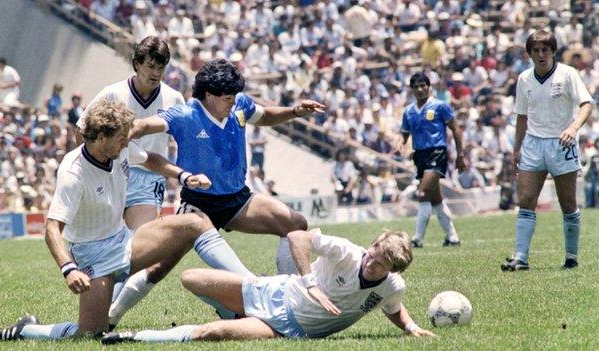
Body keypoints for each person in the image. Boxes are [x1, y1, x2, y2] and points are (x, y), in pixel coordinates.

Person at [0, 100, 215, 341]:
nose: (126, 142)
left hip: (123, 241)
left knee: (194, 223)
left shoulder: (120, 148)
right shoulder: (73, 173)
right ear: (99, 137)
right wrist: (69, 269)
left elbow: (151, 159)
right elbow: (52, 229)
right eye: (120, 137)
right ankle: (26, 330)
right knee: (91, 334)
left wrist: (183, 176)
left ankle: (243, 295)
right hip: (92, 256)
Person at [119, 58, 325, 323]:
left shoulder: (238, 106)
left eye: (234, 96)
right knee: (160, 267)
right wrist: (127, 130)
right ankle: (111, 316)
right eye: (227, 98)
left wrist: (294, 111)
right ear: (208, 95)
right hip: (198, 206)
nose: (233, 102)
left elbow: (264, 116)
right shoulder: (186, 114)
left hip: (237, 200)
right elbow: (147, 125)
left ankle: (287, 299)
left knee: (295, 223)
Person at [100, 228, 435, 344]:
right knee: (191, 278)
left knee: (209, 333)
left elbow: (392, 306)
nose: (371, 259)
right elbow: (298, 236)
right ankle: (234, 313)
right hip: (273, 291)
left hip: (285, 328)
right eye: (374, 250)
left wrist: (410, 326)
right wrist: (310, 283)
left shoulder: (392, 286)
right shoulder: (348, 252)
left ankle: (131, 338)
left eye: (381, 262)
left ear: (392, 269)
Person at [76, 36, 188, 329]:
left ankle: (110, 315)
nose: (155, 73)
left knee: (140, 250)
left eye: (160, 67)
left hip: (148, 179)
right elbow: (82, 132)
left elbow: (185, 140)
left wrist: (184, 174)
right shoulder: (111, 94)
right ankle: (100, 317)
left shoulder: (175, 98)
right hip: (111, 175)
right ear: (137, 64)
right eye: (150, 65)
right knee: (111, 252)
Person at [501, 30, 593, 271]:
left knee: (567, 203)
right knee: (526, 199)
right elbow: (521, 116)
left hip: (561, 144)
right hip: (533, 144)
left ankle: (571, 256)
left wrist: (573, 127)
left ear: (553, 52)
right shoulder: (524, 79)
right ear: (530, 54)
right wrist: (516, 149)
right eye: (536, 50)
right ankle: (521, 258)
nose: (541, 54)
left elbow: (586, 104)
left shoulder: (568, 74)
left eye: (545, 50)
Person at [401, 72, 465, 248]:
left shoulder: (440, 106)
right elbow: (404, 135)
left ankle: (417, 239)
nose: (421, 89)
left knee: (422, 193)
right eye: (417, 86)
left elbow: (456, 129)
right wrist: (400, 145)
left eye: (424, 85)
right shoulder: (408, 112)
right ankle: (452, 237)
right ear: (412, 89)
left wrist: (461, 155)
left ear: (429, 87)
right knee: (435, 198)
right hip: (419, 155)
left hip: (437, 153)